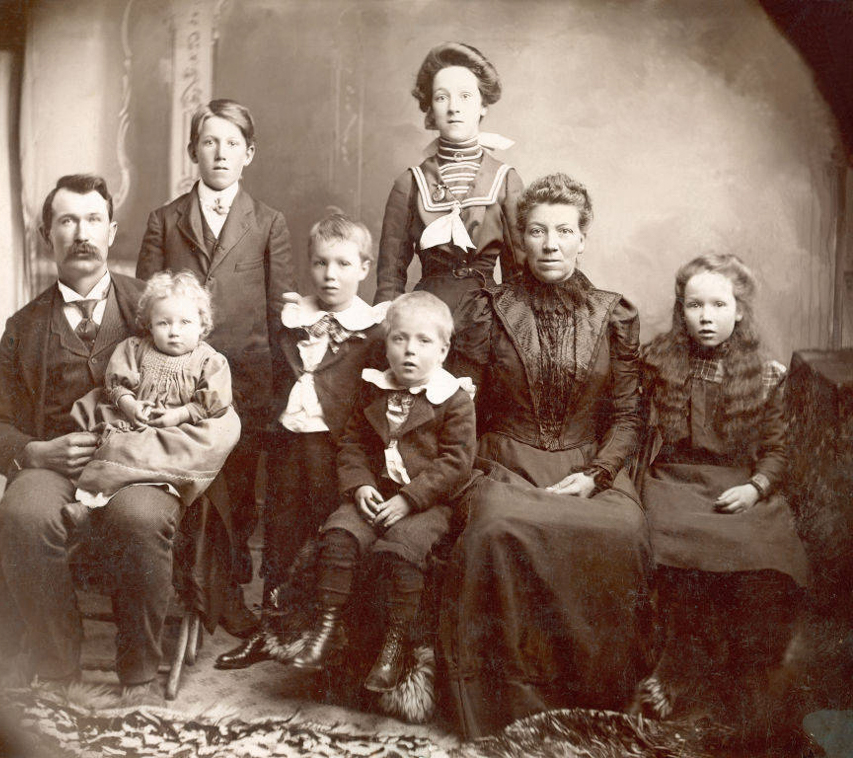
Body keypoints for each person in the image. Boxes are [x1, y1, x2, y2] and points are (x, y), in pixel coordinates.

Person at [439, 173, 652, 738]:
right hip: (503, 462)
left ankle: (596, 703)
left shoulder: (614, 315)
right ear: (521, 241)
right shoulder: (491, 310)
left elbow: (628, 416)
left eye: (563, 230)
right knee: (496, 528)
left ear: (584, 238)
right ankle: (504, 709)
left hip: (592, 465)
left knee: (623, 533)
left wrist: (598, 474)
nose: (550, 244)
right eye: (537, 231)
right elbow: (460, 406)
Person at [0, 174, 177, 695]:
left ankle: (138, 671)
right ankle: (57, 662)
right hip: (58, 468)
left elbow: (201, 381)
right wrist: (36, 451)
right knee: (23, 513)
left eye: (91, 220)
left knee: (141, 516)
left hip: (139, 465)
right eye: (66, 220)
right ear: (48, 235)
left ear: (111, 231)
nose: (80, 232)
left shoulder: (154, 308)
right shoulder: (24, 326)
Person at [136, 99, 296, 635]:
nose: (220, 152)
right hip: (174, 381)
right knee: (196, 487)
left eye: (232, 143)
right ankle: (202, 590)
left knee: (240, 487)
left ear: (248, 154)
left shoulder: (268, 223)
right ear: (193, 153)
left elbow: (279, 318)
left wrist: (281, 391)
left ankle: (225, 585)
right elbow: (144, 311)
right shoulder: (165, 221)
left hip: (245, 383)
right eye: (209, 141)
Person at [634, 254, 809, 728]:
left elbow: (777, 450)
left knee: (768, 558)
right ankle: (680, 666)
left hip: (738, 485)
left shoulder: (766, 374)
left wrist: (755, 488)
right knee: (678, 551)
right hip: (674, 480)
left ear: (739, 311)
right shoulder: (657, 363)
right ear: (681, 310)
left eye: (717, 305)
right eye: (694, 305)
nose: (706, 317)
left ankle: (746, 691)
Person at [215, 214, 388, 670]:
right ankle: (270, 631)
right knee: (279, 533)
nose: (330, 275)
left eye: (343, 264)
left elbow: (374, 399)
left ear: (364, 268)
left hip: (336, 448)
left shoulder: (371, 330)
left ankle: (323, 633)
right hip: (287, 443)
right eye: (320, 263)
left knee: (325, 533)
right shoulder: (292, 319)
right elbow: (273, 374)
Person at [289, 292, 477, 694]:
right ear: (386, 342)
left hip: (426, 503)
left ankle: (394, 646)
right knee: (340, 534)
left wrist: (410, 498)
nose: (410, 351)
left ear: (443, 350)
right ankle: (325, 629)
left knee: (403, 551)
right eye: (399, 339)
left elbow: (455, 463)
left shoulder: (454, 400)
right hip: (375, 492)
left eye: (424, 342)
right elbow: (354, 443)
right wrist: (360, 486)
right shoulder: (374, 388)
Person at [63, 270, 241, 534]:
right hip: (135, 422)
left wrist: (178, 415)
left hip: (177, 432)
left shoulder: (209, 361)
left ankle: (148, 481)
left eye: (185, 323)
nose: (174, 332)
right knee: (117, 445)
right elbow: (116, 385)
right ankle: (89, 503)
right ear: (149, 324)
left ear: (202, 326)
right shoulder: (135, 349)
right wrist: (129, 405)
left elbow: (211, 404)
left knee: (198, 441)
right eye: (164, 323)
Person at [374, 42, 523, 319]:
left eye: (465, 96)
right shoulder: (410, 184)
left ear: (483, 105)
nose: (454, 107)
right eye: (442, 97)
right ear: (430, 107)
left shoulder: (506, 181)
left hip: (489, 322)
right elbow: (390, 281)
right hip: (425, 322)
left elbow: (520, 277)